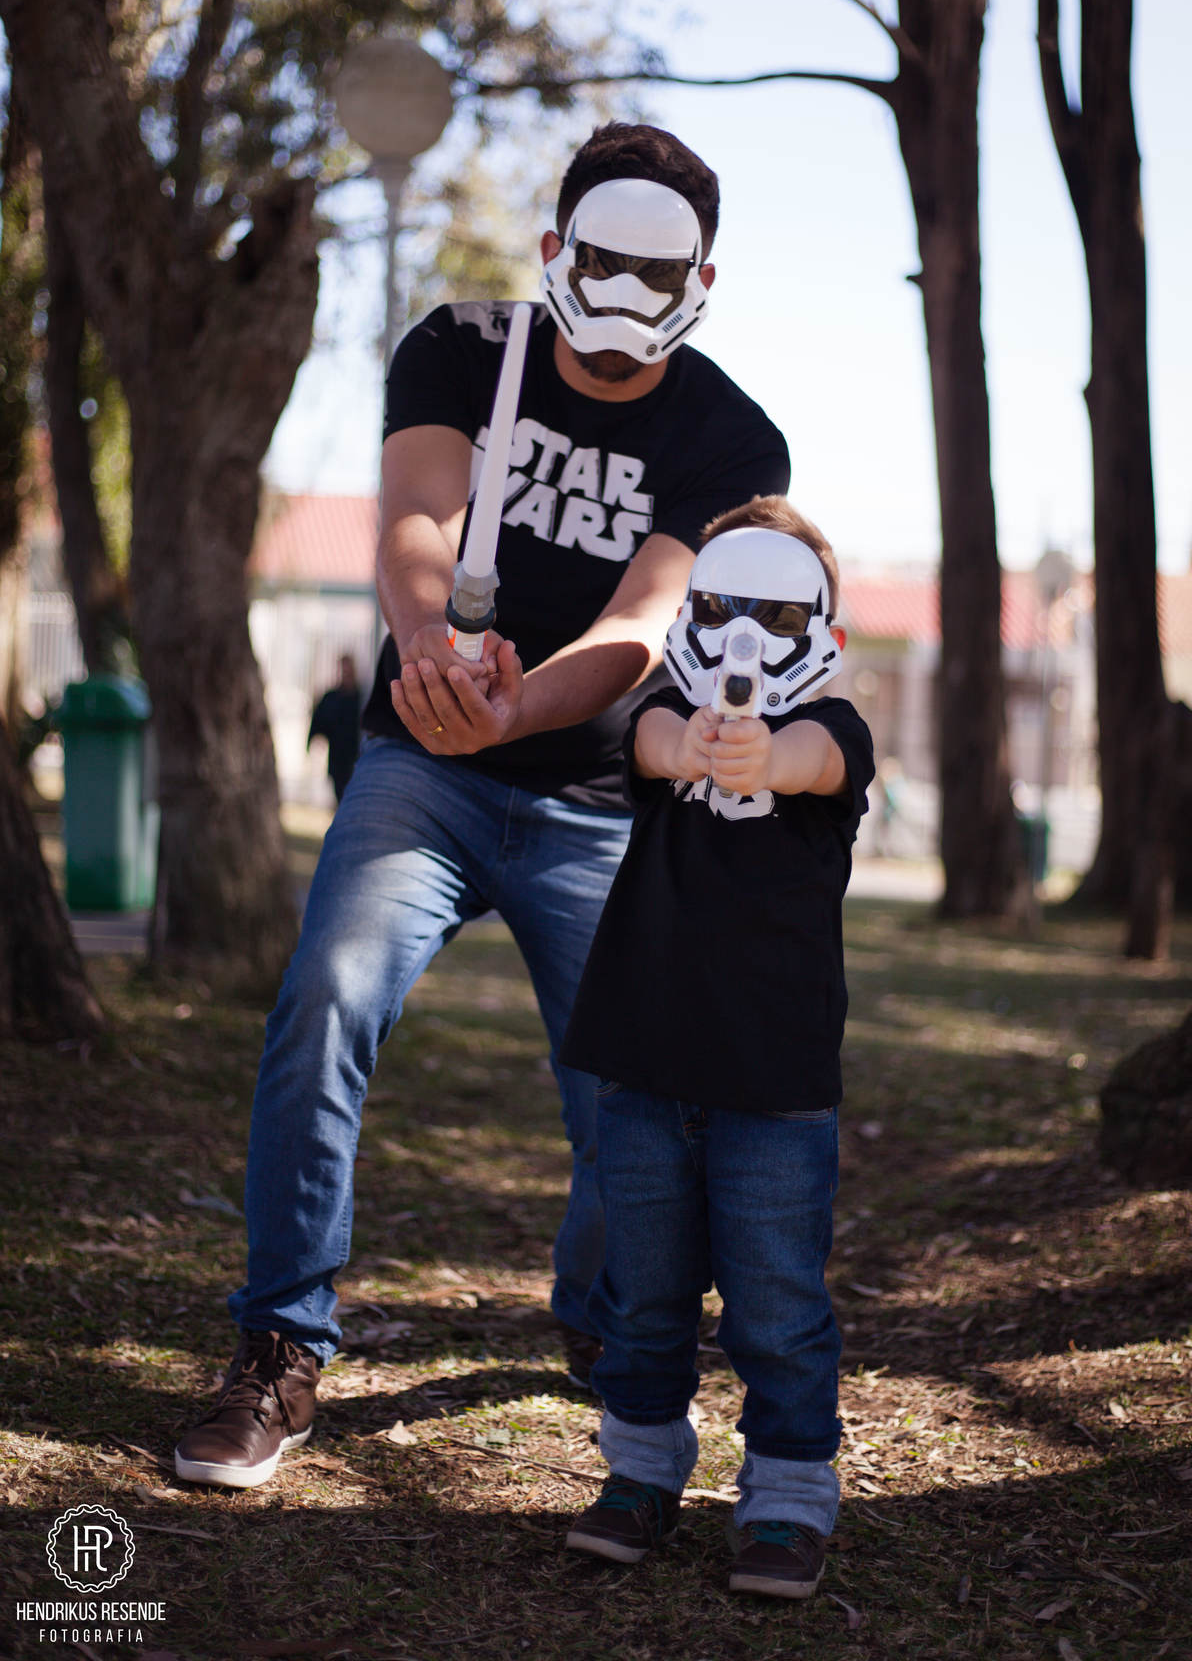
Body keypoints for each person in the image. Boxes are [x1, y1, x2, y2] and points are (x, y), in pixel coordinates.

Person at [172, 122, 792, 1489]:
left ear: (702, 281)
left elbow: (642, 624)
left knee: (633, 1097)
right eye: (604, 262)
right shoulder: (461, 348)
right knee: (326, 1000)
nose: (626, 298)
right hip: (427, 771)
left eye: (660, 273)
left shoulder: (733, 437)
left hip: (600, 800)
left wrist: (520, 707)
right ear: (556, 249)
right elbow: (414, 522)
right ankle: (279, 1348)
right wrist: (432, 657)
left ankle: (600, 1312)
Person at [558, 497, 874, 1601]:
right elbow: (643, 741)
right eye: (723, 606)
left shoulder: (836, 729)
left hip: (776, 1091)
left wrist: (762, 755)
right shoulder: (664, 715)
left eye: (776, 613)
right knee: (641, 1299)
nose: (744, 635)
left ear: (824, 631)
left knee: (777, 1309)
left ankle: (787, 1495)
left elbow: (816, 761)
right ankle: (640, 1474)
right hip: (645, 1070)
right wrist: (689, 741)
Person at [307, 654, 363, 803]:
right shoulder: (331, 698)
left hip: (357, 759)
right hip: (337, 760)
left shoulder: (362, 698)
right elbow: (318, 723)